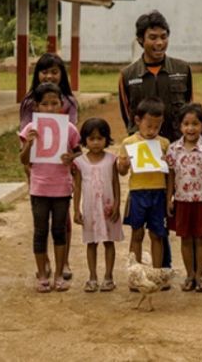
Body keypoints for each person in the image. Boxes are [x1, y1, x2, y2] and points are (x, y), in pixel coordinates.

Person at [118, 10, 195, 275]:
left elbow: (189, 113)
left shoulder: (182, 71)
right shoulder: (128, 75)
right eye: (153, 38)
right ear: (141, 40)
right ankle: (158, 268)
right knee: (152, 218)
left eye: (164, 37)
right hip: (147, 164)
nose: (159, 43)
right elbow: (129, 119)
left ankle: (196, 266)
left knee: (184, 209)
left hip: (179, 156)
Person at [19, 52, 78, 282]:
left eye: (54, 71)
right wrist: (28, 160)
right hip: (38, 170)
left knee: (62, 224)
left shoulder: (70, 102)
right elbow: (23, 139)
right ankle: (43, 268)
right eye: (44, 71)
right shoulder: (28, 102)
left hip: (60, 171)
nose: (49, 75)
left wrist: (70, 159)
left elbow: (72, 137)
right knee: (41, 227)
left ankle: (63, 264)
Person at [165, 104, 202, 293]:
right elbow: (171, 175)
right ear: (180, 126)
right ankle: (189, 275)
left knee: (201, 239)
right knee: (186, 239)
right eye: (186, 124)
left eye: (195, 123)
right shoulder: (173, 149)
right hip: (182, 201)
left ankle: (199, 276)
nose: (190, 128)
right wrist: (169, 198)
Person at [118, 97, 170, 277]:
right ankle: (136, 273)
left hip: (158, 193)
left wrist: (168, 164)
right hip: (137, 193)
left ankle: (157, 273)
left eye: (157, 127)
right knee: (137, 233)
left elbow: (169, 172)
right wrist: (123, 164)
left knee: (157, 234)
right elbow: (122, 172)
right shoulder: (128, 143)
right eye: (149, 126)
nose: (152, 131)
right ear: (138, 121)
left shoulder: (164, 143)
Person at [72, 118, 124, 293]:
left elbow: (116, 183)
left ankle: (108, 277)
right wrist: (76, 209)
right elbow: (77, 186)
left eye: (100, 138)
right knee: (91, 243)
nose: (95, 143)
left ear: (106, 139)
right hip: (90, 210)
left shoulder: (111, 159)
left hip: (108, 208)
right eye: (91, 138)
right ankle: (92, 277)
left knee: (109, 242)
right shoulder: (80, 162)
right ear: (84, 140)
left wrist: (117, 205)